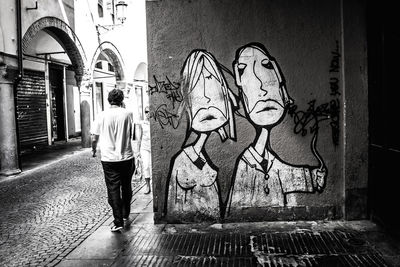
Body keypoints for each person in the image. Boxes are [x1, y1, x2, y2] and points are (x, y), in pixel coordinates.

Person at [228, 43, 326, 213]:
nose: (261, 87)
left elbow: (284, 173)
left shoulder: (270, 160)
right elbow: (234, 207)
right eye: (244, 71)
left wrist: (313, 178)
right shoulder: (246, 163)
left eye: (266, 66)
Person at [166, 49, 237, 221]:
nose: (205, 98)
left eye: (212, 87)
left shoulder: (236, 150)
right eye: (197, 91)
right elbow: (174, 209)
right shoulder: (182, 161)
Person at [91, 88, 138, 232]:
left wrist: (93, 150)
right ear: (121, 100)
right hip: (126, 156)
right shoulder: (128, 114)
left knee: (113, 189)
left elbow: (94, 137)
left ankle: (118, 221)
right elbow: (133, 135)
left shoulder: (101, 115)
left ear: (108, 100)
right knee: (126, 185)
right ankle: (125, 213)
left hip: (109, 158)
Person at [139, 106, 152, 194]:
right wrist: (137, 152)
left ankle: (155, 185)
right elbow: (139, 137)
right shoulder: (142, 123)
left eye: (149, 112)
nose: (148, 113)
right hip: (144, 147)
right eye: (146, 112)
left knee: (153, 167)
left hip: (153, 148)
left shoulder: (155, 123)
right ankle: (148, 185)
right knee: (146, 166)